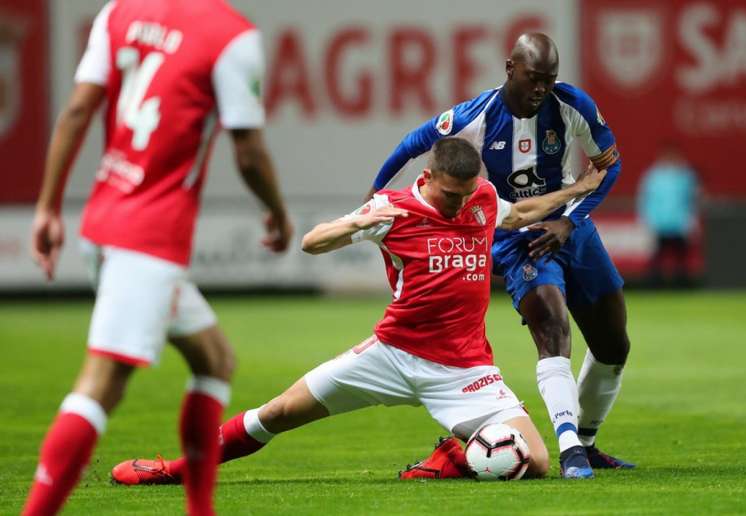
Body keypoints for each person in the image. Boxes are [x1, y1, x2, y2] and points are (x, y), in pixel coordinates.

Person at [110, 138, 607, 486]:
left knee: (536, 461)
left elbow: (516, 213)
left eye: (466, 194)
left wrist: (576, 191)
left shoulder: (478, 198)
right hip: (392, 355)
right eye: (450, 195)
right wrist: (361, 222)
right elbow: (310, 243)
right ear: (427, 177)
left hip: (464, 368)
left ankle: (452, 458)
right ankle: (176, 469)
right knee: (277, 414)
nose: (459, 207)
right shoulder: (393, 210)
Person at [23, 1, 292, 514]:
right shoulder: (232, 37)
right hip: (146, 240)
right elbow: (248, 149)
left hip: (102, 220)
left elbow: (79, 108)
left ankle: (200, 508)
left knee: (214, 359)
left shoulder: (119, 12)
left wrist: (48, 206)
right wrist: (277, 212)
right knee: (102, 384)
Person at [366, 33, 633, 479]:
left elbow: (611, 164)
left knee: (613, 344)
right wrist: (375, 196)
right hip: (513, 236)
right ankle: (570, 452)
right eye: (533, 79)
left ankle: (586, 443)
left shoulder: (574, 106)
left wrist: (570, 220)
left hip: (573, 227)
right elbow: (412, 143)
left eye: (549, 80)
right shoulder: (475, 117)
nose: (541, 90)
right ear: (511, 69)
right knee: (552, 324)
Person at [637, 142, 699, 287]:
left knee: (681, 259)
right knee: (657, 259)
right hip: (659, 224)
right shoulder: (652, 177)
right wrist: (647, 221)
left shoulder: (686, 176)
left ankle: (681, 286)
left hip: (679, 224)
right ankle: (655, 287)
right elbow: (646, 200)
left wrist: (690, 221)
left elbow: (691, 200)